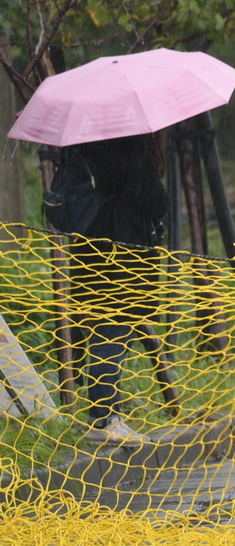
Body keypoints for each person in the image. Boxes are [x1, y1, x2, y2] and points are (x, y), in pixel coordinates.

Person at [70, 134, 169, 447]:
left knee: (106, 331)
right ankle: (103, 419)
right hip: (122, 260)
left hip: (91, 254)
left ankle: (107, 409)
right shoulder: (129, 154)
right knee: (111, 333)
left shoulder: (87, 144)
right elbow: (157, 201)